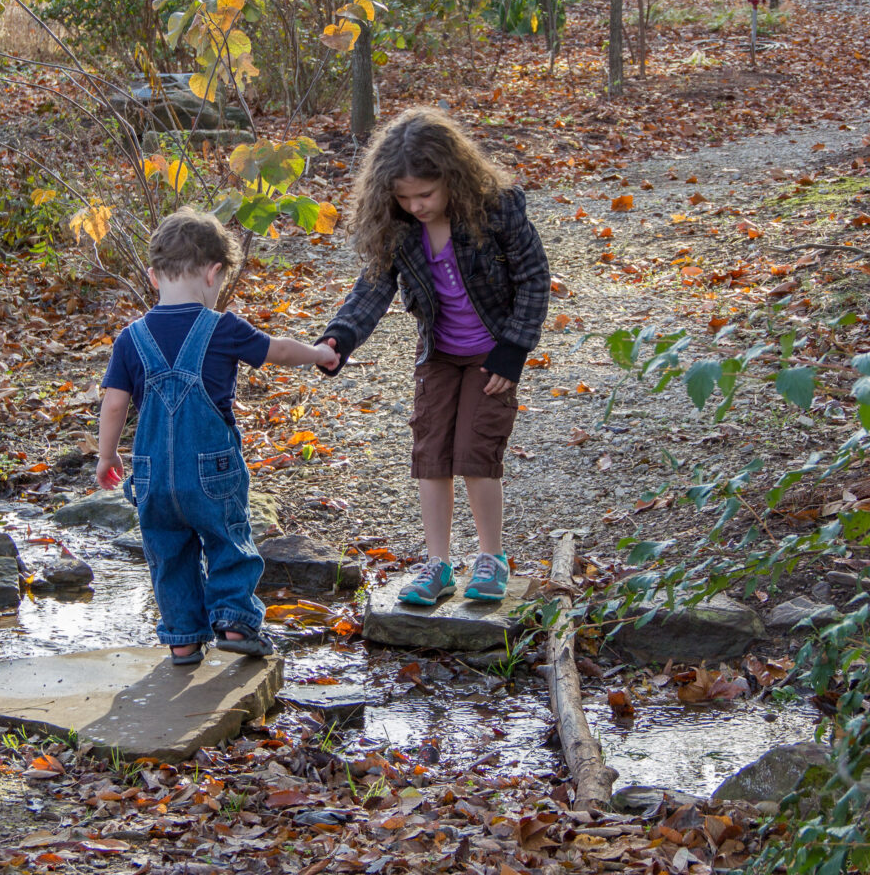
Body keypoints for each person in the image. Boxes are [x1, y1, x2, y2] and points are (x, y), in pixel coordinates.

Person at [315, 107, 550, 605]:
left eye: (425, 194)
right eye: (403, 197)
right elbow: (372, 288)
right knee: (431, 457)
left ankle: (491, 558)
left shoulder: (497, 209)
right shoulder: (399, 228)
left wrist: (513, 351)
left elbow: (533, 280)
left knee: (476, 454)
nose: (416, 205)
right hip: (438, 355)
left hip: (493, 354)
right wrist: (339, 339)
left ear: (452, 177)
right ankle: (437, 564)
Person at [96, 208, 339, 665]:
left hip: (152, 477)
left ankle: (184, 639)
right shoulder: (222, 327)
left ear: (152, 276)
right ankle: (233, 622)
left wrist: (106, 456)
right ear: (214, 273)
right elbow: (278, 351)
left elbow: (114, 403)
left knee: (168, 553)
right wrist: (319, 353)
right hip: (212, 471)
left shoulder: (131, 338)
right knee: (228, 541)